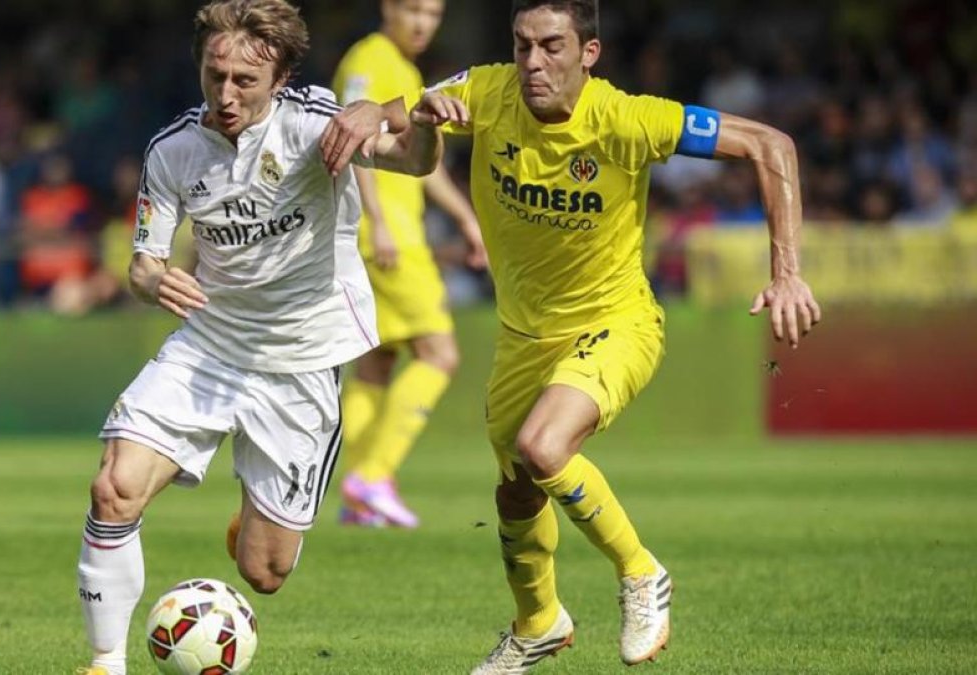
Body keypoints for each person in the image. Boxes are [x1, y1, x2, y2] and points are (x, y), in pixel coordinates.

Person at [325, 0, 821, 671]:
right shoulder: (486, 88)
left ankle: (641, 572)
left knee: (542, 443)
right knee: (516, 492)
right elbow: (404, 121)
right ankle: (539, 623)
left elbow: (772, 144)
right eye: (523, 45)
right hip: (522, 338)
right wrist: (380, 114)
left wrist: (787, 272)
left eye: (553, 47)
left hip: (614, 322)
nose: (534, 63)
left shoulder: (628, 117)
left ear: (589, 53)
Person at [74, 1, 441, 674]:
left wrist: (390, 112)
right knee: (113, 488)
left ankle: (256, 520)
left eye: (246, 80)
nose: (226, 94)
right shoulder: (174, 149)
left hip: (301, 360)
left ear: (282, 76)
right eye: (215, 75)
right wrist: (155, 283)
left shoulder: (315, 123)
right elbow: (141, 264)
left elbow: (414, 160)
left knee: (264, 571)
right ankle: (104, 661)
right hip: (210, 342)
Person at [331, 0, 487, 528]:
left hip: (385, 233)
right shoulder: (366, 60)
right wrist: (376, 220)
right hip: (388, 236)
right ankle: (373, 475)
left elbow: (421, 161)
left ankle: (359, 496)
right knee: (439, 354)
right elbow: (354, 139)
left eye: (434, 13)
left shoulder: (406, 70)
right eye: (414, 10)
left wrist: (464, 216)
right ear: (387, 8)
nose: (423, 23)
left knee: (377, 363)